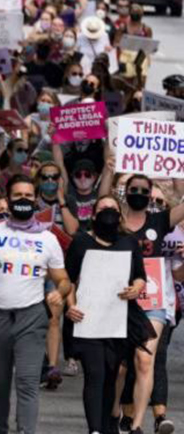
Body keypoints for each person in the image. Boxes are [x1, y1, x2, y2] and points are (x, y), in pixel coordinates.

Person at [0, 174, 73, 434]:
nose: (24, 200)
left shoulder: (48, 238)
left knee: (27, 381)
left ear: (36, 201)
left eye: (29, 196)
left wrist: (60, 292)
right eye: (18, 196)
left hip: (31, 317)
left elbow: (63, 279)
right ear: (8, 200)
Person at [64, 196, 147, 434]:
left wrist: (137, 288)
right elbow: (67, 279)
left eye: (112, 209)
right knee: (95, 372)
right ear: (93, 214)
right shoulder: (81, 241)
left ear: (120, 215)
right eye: (103, 209)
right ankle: (94, 429)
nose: (108, 213)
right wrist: (70, 305)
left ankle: (107, 423)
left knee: (112, 374)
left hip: (118, 319)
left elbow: (140, 275)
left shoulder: (129, 242)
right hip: (87, 318)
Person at [115, 174, 184, 434]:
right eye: (134, 189)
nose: (139, 193)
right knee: (120, 366)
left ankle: (137, 425)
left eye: (145, 190)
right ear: (125, 192)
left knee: (145, 360)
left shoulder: (159, 221)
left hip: (152, 301)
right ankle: (115, 412)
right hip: (119, 300)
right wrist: (110, 170)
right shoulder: (115, 221)